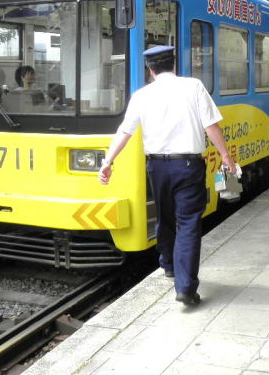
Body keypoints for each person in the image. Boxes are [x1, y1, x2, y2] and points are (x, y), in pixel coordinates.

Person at [98, 45, 236, 307]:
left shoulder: (142, 95)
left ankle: (169, 266)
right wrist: (226, 157)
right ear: (174, 64)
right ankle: (184, 287)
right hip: (188, 165)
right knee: (188, 223)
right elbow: (211, 126)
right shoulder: (193, 86)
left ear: (150, 70)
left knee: (165, 217)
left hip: (157, 167)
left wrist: (108, 162)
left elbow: (124, 132)